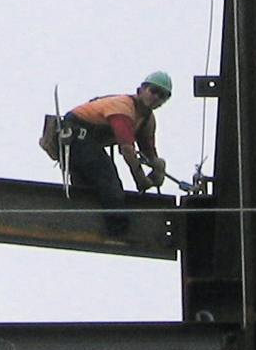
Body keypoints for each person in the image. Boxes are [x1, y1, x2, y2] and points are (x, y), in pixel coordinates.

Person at [49, 71, 174, 235]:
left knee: (89, 190)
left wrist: (157, 168)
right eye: (153, 91)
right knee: (108, 180)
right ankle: (119, 229)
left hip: (85, 146)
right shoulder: (122, 107)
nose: (157, 97)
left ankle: (88, 226)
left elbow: (148, 153)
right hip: (76, 139)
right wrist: (141, 179)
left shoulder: (146, 120)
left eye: (163, 95)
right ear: (141, 90)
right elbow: (127, 149)